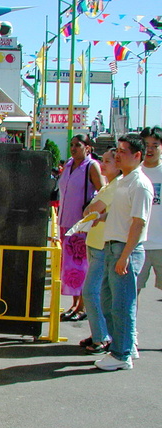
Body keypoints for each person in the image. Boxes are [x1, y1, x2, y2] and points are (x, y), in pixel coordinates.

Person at [92, 133, 153, 370]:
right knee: (108, 300)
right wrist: (100, 217)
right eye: (117, 150)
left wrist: (126, 256)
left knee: (121, 304)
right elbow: (121, 213)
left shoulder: (139, 184)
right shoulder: (124, 181)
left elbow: (138, 223)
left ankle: (122, 354)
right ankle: (124, 346)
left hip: (125, 249)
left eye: (123, 151)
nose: (118, 155)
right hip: (112, 246)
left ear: (137, 156)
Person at [79, 148, 122, 354]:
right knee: (98, 294)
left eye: (107, 161)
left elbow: (91, 210)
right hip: (96, 243)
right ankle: (100, 333)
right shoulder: (109, 186)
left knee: (92, 292)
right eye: (102, 160)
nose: (102, 165)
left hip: (103, 245)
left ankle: (102, 337)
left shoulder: (115, 187)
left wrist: (93, 211)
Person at [58, 135, 104, 321]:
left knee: (81, 266)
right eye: (71, 145)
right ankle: (75, 304)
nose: (74, 148)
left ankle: (83, 307)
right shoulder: (69, 165)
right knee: (71, 268)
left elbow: (103, 192)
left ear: (88, 148)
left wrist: (94, 214)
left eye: (78, 145)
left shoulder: (91, 166)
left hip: (81, 225)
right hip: (65, 223)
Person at [137, 126, 162, 294]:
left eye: (155, 145)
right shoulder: (134, 172)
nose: (150, 149)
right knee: (131, 295)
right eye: (146, 144)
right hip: (138, 245)